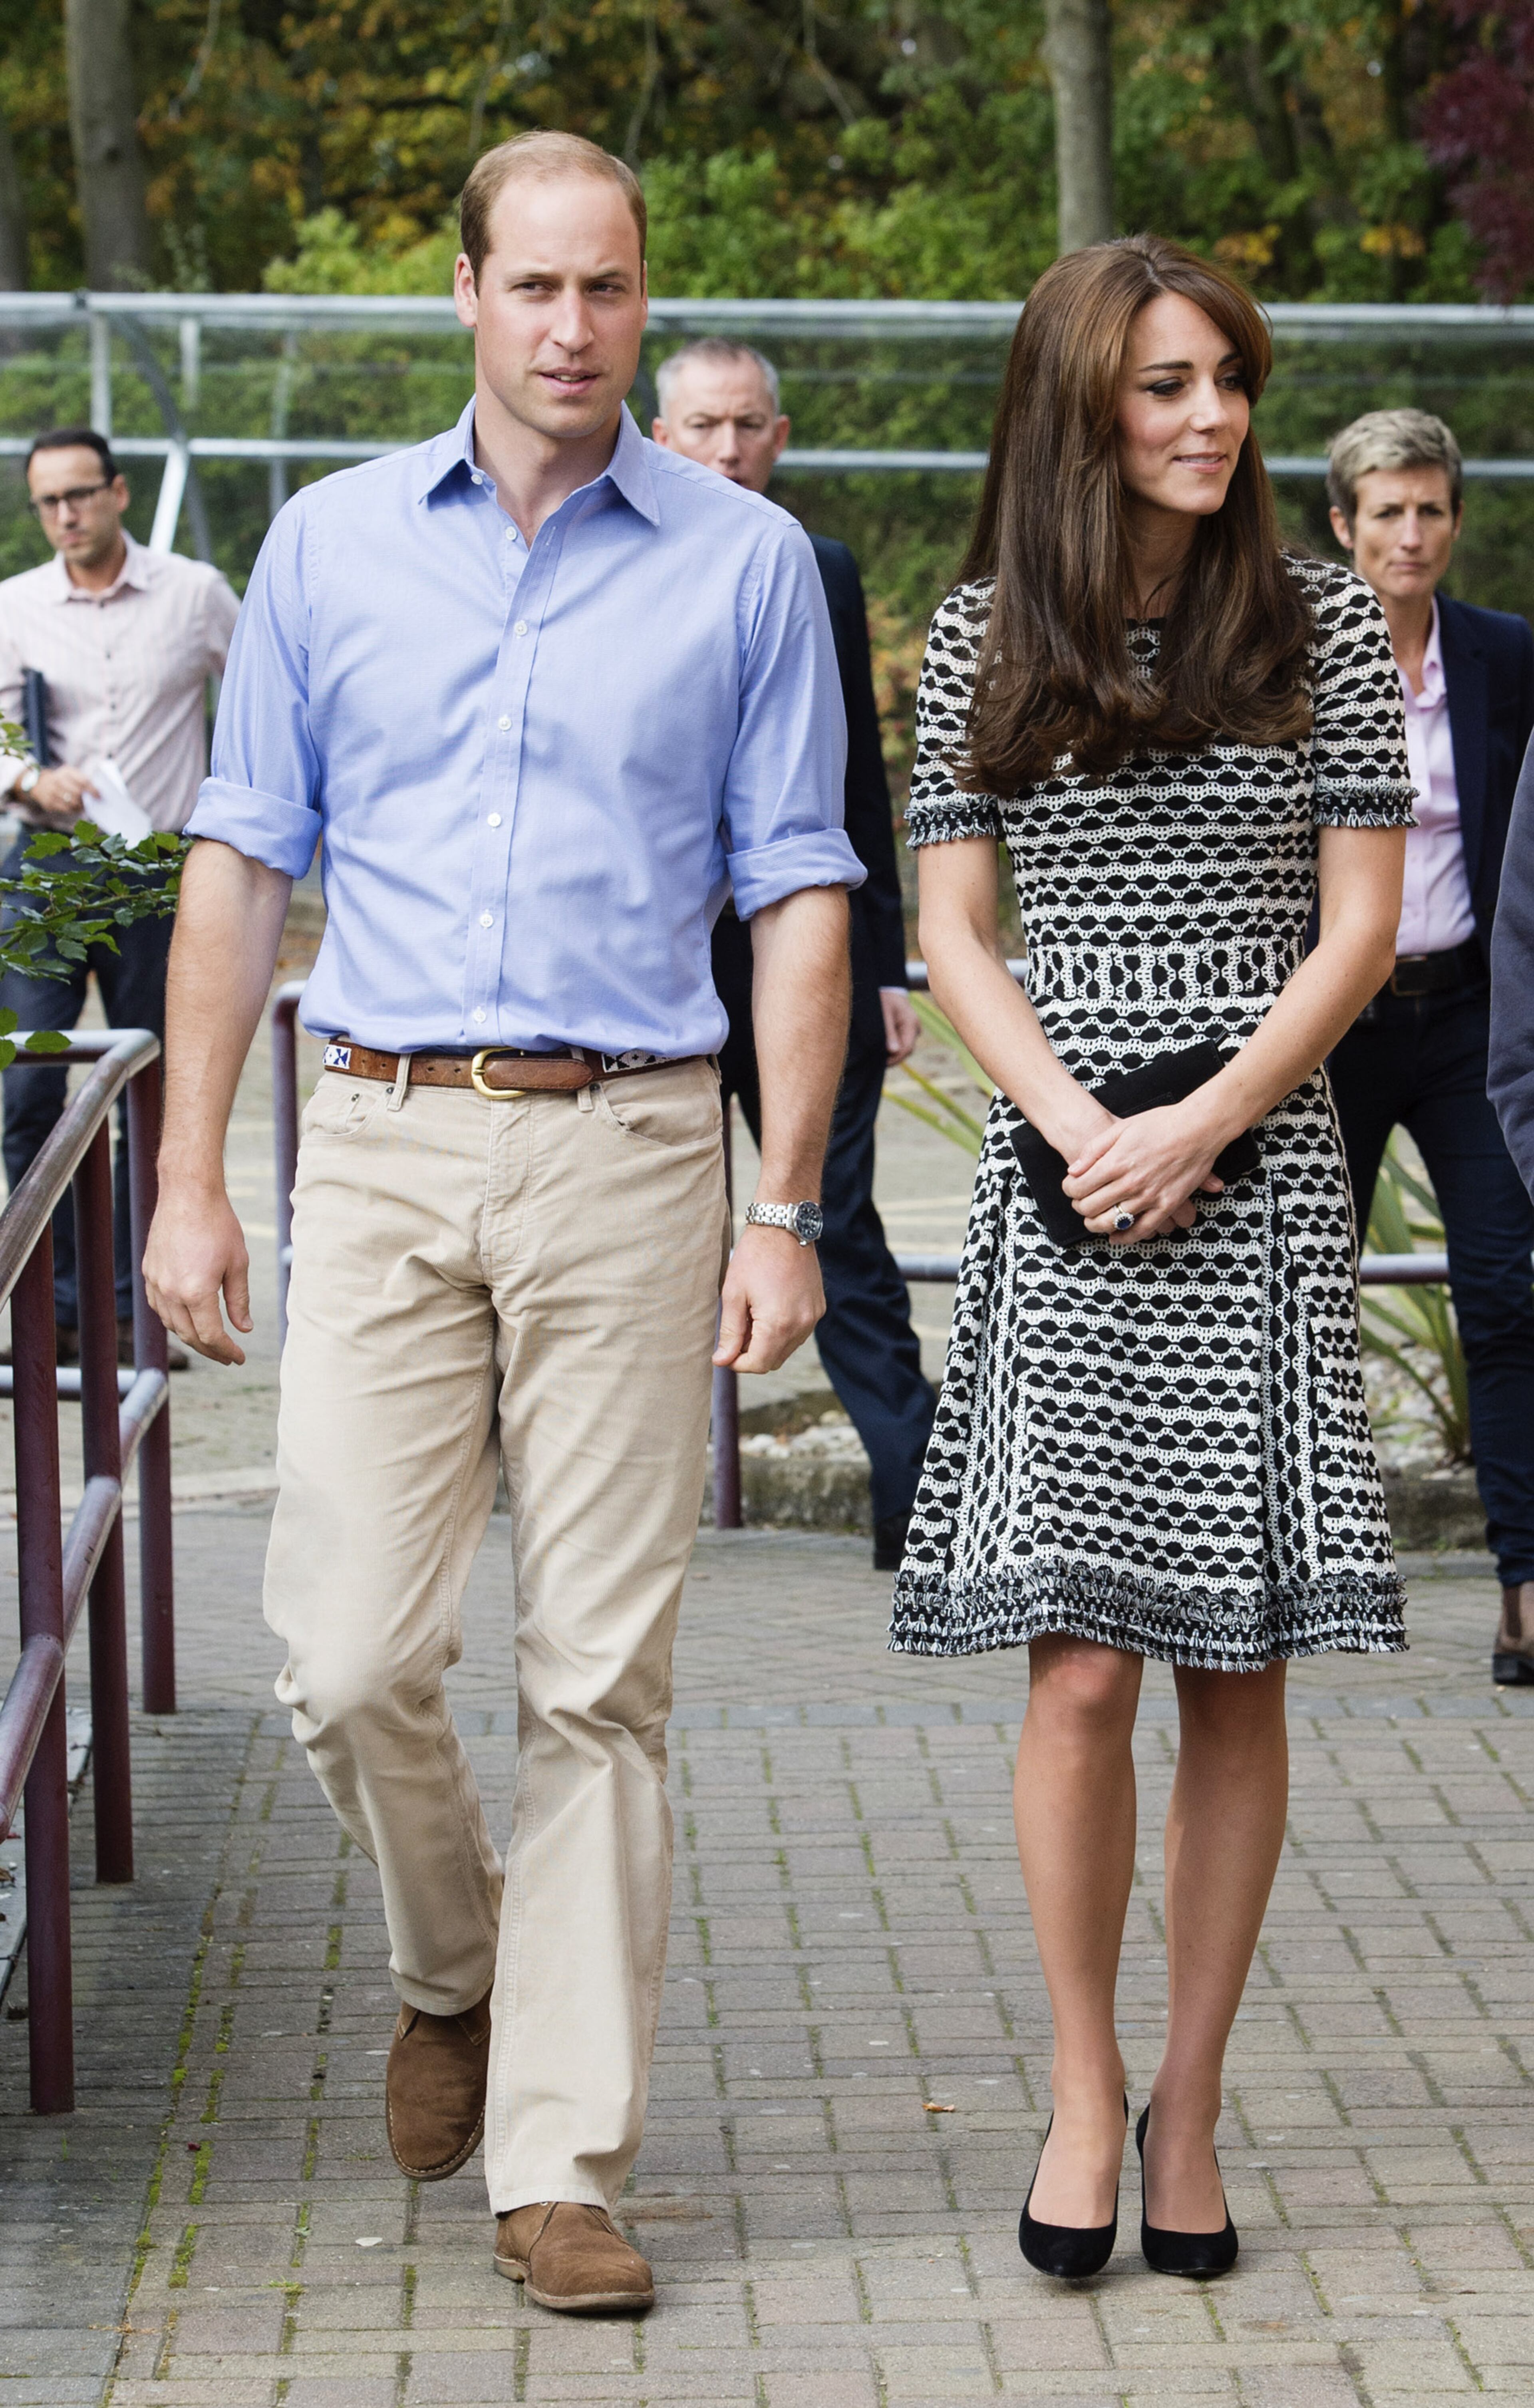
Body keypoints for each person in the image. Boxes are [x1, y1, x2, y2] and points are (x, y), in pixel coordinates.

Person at [142, 131, 862, 2315]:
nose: (573, 329)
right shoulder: (332, 546)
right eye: (535, 287)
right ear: (465, 292)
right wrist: (187, 1174)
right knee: (344, 1650)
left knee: (602, 1679)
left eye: (610, 290)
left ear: (646, 302)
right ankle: (451, 1958)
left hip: (635, 1145)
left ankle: (555, 2154)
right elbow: (239, 871)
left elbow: (804, 891)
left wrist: (787, 1198)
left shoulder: (745, 562)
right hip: (370, 1135)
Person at [890, 235, 1412, 2280]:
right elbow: (953, 927)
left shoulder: (1319, 633)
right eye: (1166, 384)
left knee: (1232, 1661)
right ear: (1077, 403)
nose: (1211, 418)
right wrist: (1081, 1126)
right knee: (1080, 1661)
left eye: (1230, 382)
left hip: (1257, 1169)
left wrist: (1203, 1118)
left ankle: (1194, 2096)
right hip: (1066, 1175)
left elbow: (1357, 927)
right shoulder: (975, 641)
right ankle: (1085, 2084)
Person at [652, 337, 937, 1567]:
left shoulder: (817, 567)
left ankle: (916, 1490)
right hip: (650, 970)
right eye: (705, 425)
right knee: (629, 1227)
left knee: (832, 1220)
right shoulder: (611, 554)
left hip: (803, 961)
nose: (727, 448)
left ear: (780, 435)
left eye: (749, 425)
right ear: (662, 434)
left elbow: (854, 786)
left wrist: (886, 964)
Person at [1322, 411, 1534, 1689]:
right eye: (1387, 511)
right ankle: (1289, 1586)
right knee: (1296, 1300)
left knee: (1510, 1294)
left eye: (1432, 510)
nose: (1412, 534)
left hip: (1471, 1018)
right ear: (1342, 524)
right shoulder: (1287, 664)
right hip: (1328, 1024)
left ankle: (1524, 1589)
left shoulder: (1507, 658)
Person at [0, 427, 238, 1363]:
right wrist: (25, 780)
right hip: (51, 868)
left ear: (119, 493)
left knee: (154, 1092)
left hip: (156, 871)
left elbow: (263, 691)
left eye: (81, 495)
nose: (66, 515)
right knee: (31, 1083)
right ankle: (53, 1307)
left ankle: (141, 1308)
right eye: (48, 502)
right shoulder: (14, 605)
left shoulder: (192, 595)